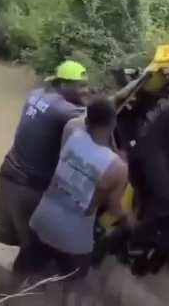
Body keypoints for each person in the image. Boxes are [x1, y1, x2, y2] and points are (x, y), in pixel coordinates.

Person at [0, 60, 91, 264]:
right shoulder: (65, 111)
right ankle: (7, 293)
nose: (86, 90)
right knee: (33, 248)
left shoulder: (34, 95)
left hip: (8, 173)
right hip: (30, 187)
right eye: (81, 86)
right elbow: (100, 116)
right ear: (63, 84)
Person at [25, 96, 131, 278]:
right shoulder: (118, 168)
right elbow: (114, 208)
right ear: (113, 123)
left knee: (20, 272)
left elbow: (85, 119)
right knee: (74, 289)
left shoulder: (71, 130)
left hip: (43, 218)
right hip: (74, 235)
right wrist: (129, 220)